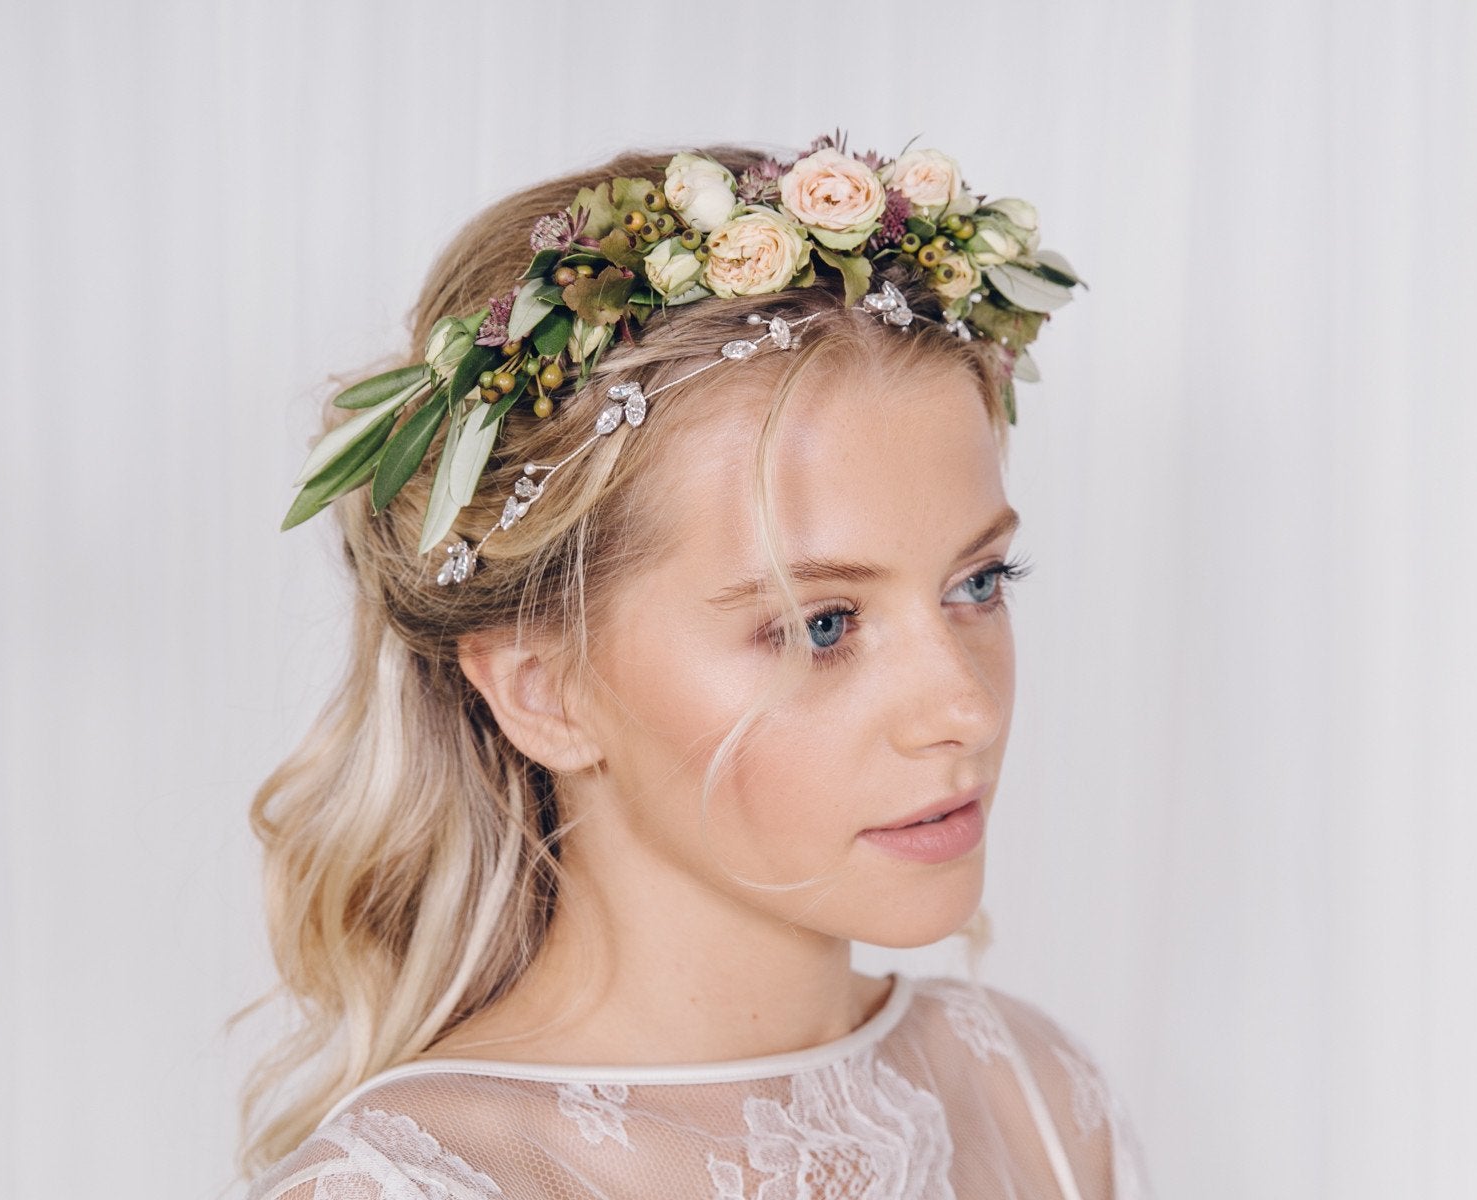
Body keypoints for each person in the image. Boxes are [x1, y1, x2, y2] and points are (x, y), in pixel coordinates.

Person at [232, 133, 1153, 1200]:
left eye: (978, 584)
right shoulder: (414, 1184)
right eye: (823, 625)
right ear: (544, 690)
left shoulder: (1030, 1101)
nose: (965, 709)